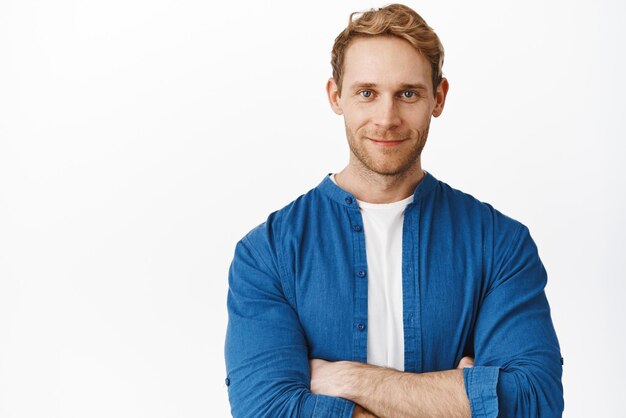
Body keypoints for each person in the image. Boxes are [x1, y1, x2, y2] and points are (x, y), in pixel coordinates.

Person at [224, 4, 564, 417]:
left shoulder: (500, 244)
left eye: (408, 93)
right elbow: (267, 410)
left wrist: (350, 379)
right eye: (367, 93)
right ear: (336, 97)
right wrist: (458, 399)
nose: (387, 118)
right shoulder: (268, 253)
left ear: (437, 98)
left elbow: (534, 402)